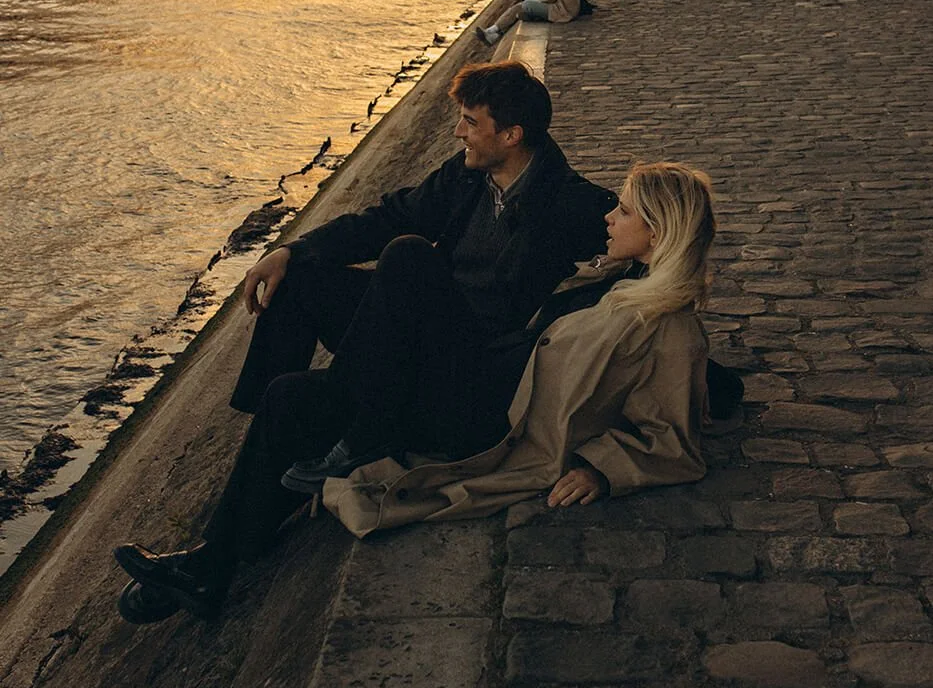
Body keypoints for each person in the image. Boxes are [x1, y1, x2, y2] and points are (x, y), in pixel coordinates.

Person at [114, 161, 730, 621]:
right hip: (479, 377)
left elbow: (674, 435)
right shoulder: (623, 280)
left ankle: (358, 436)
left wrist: (601, 469)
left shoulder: (670, 324)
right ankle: (211, 566)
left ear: (657, 230)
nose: (608, 218)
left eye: (622, 211)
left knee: (408, 258)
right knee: (290, 397)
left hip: (488, 417)